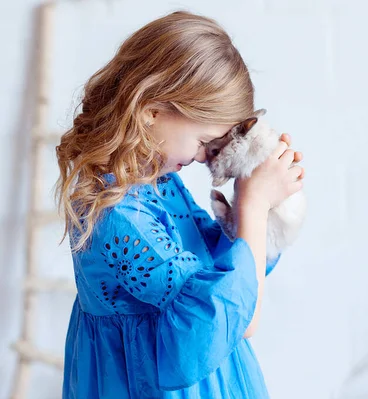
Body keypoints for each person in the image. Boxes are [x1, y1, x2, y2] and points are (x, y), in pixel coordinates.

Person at [55, 11, 304, 399]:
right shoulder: (113, 210)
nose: (207, 157)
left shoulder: (158, 182)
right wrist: (253, 206)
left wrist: (259, 200)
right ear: (152, 111)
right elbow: (236, 318)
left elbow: (217, 268)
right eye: (205, 141)